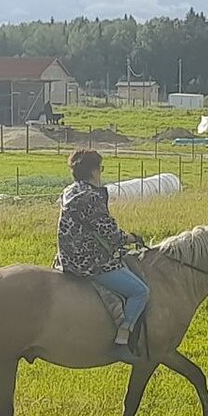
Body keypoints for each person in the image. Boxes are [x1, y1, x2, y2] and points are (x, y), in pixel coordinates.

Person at [55, 149, 148, 360]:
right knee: (140, 291)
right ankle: (123, 341)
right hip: (90, 261)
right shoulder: (91, 197)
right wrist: (132, 238)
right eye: (101, 168)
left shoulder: (70, 191)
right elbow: (110, 233)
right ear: (94, 171)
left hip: (67, 257)